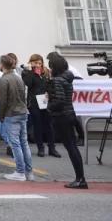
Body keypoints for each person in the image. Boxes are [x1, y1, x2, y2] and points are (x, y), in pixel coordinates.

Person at [46, 53, 86, 189]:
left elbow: (59, 101)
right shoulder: (67, 79)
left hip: (62, 116)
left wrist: (48, 106)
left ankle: (80, 179)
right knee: (72, 147)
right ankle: (80, 178)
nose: (49, 68)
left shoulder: (57, 80)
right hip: (69, 114)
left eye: (50, 65)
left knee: (71, 148)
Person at [0, 54, 32, 181]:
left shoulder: (3, 80)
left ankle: (20, 172)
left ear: (2, 65)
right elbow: (23, 96)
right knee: (24, 142)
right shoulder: (18, 78)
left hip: (11, 114)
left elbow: (2, 101)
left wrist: (0, 115)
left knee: (15, 144)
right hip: (23, 111)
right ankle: (29, 172)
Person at [22, 54, 59, 158]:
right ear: (31, 63)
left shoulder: (46, 72)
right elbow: (28, 84)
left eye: (40, 62)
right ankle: (40, 148)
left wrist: (49, 94)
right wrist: (31, 72)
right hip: (34, 103)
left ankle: (52, 148)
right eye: (36, 63)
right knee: (37, 126)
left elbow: (51, 86)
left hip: (45, 102)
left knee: (49, 125)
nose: (38, 65)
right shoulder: (27, 73)